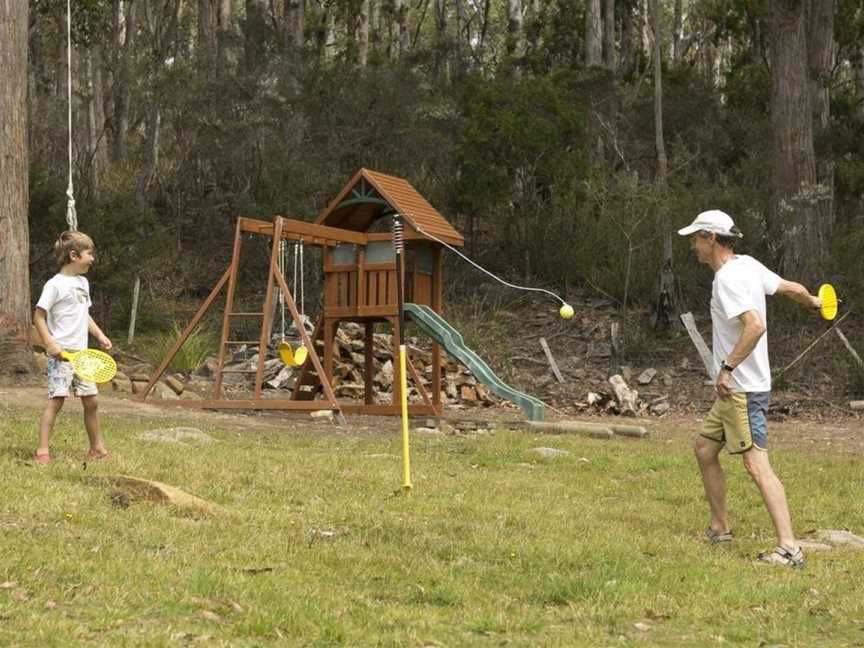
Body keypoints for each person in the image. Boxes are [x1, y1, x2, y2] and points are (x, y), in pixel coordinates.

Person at [678, 210, 821, 568]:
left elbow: (754, 326)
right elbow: (792, 289)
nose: (693, 245)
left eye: (696, 237)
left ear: (711, 238)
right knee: (703, 449)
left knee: (757, 466)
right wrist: (816, 303)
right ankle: (719, 527)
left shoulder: (727, 278)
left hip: (741, 390)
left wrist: (726, 368)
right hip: (736, 392)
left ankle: (789, 548)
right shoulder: (750, 265)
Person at [32, 231, 112, 464]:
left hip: (84, 355)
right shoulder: (54, 285)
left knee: (92, 401)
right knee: (56, 401)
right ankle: (42, 451)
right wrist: (50, 343)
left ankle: (97, 448)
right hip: (62, 355)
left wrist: (100, 334)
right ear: (74, 255)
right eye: (90, 254)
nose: (93, 258)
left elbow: (84, 314)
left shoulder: (82, 283)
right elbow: (38, 317)